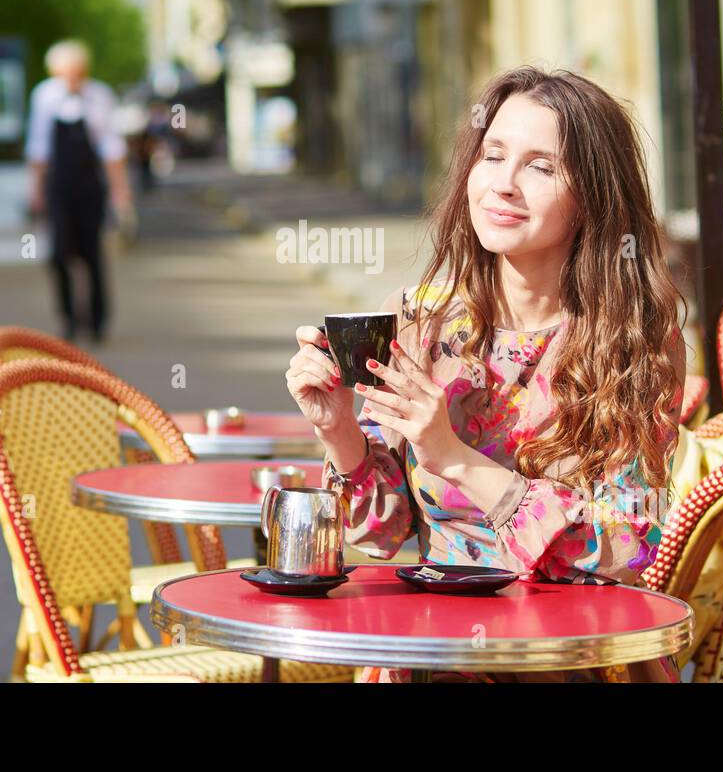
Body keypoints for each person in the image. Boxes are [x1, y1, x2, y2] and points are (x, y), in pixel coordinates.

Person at [285, 67, 687, 683]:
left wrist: (455, 456)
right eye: (492, 155)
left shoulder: (634, 344)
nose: (503, 184)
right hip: (434, 654)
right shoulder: (427, 321)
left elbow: (627, 546)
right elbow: (384, 533)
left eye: (541, 167)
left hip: (573, 658)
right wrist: (339, 431)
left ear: (594, 196)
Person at [26, 40, 136, 342]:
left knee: (92, 254)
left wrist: (120, 190)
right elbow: (38, 148)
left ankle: (98, 320)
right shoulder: (45, 97)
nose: (73, 78)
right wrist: (35, 189)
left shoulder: (99, 96)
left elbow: (111, 148)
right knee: (60, 252)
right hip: (59, 186)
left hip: (90, 186)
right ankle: (69, 318)